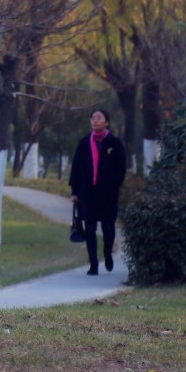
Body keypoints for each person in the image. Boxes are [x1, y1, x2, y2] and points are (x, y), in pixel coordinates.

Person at [69, 109, 126, 275]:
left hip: (108, 193)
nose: (95, 120)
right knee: (90, 228)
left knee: (108, 227)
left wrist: (114, 185)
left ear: (106, 122)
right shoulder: (84, 143)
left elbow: (120, 168)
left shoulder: (115, 143)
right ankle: (93, 263)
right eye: (93, 118)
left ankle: (108, 254)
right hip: (87, 192)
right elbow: (77, 168)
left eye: (99, 118)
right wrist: (75, 191)